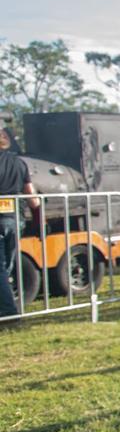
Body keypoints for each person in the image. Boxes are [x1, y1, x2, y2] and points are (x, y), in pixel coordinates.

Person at [0, 130, 39, 322]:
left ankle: (8, 313)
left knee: (2, 268)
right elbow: (32, 198)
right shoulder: (19, 163)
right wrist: (40, 217)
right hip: (14, 218)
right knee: (6, 266)